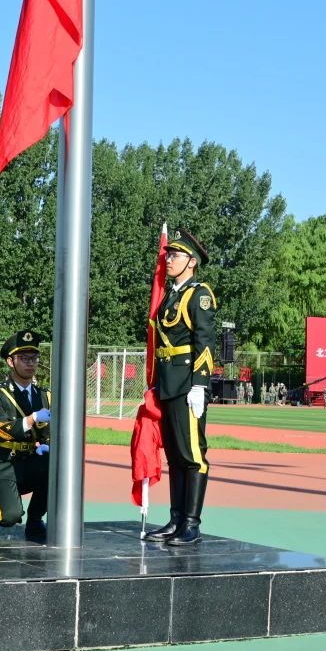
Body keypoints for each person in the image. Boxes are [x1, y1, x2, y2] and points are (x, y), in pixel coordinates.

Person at [143, 228, 217, 546]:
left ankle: (191, 523)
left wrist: (200, 384)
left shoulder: (199, 295)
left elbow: (205, 342)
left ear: (192, 262)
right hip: (169, 383)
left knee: (193, 455)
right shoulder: (171, 294)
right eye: (169, 254)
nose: (169, 260)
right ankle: (176, 520)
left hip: (188, 384)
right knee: (174, 456)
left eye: (175, 255)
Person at [0, 330, 50, 542]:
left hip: (28, 461)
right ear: (10, 361)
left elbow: (47, 433)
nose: (31, 363)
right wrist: (32, 419)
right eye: (24, 358)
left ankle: (35, 519)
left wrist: (48, 444)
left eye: (34, 358)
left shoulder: (44, 395)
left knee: (59, 467)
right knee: (9, 517)